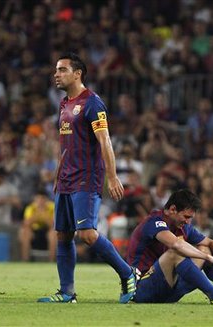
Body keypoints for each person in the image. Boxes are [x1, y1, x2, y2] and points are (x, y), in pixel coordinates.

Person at [37, 53, 137, 304]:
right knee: (62, 235)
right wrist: (58, 176)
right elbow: (66, 145)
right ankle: (66, 292)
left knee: (87, 234)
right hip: (65, 181)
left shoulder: (93, 103)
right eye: (56, 70)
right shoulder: (64, 104)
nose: (56, 74)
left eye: (62, 70)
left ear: (77, 73)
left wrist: (112, 177)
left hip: (86, 178)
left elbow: (105, 141)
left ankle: (127, 273)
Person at [126, 189, 213, 305]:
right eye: (186, 216)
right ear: (172, 209)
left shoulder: (183, 226)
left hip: (167, 291)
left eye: (190, 218)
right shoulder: (154, 221)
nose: (187, 221)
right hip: (142, 289)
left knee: (205, 248)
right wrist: (207, 257)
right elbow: (176, 244)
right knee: (176, 253)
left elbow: (209, 242)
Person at [18, 189, 56, 261]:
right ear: (35, 199)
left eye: (42, 199)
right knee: (24, 232)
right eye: (38, 199)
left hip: (47, 231)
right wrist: (37, 215)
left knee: (53, 233)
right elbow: (26, 224)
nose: (40, 201)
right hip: (35, 232)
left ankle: (52, 261)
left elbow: (53, 224)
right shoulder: (30, 208)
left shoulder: (53, 207)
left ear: (46, 199)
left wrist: (44, 215)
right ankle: (25, 260)